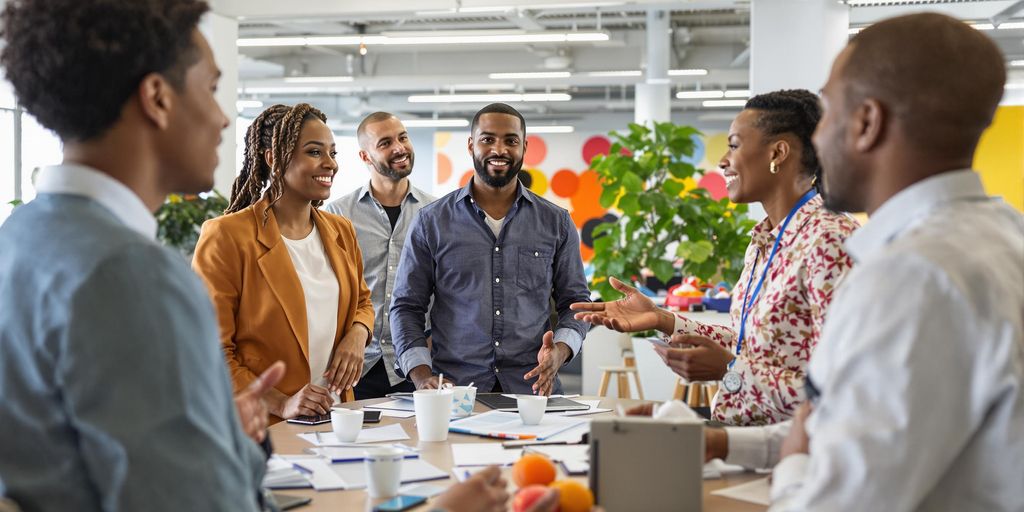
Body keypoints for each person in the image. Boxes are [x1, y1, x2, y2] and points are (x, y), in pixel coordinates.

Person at [687, 13, 1022, 511]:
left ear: (866, 123)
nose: (818, 141)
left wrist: (796, 459)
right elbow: (865, 435)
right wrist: (730, 443)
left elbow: (836, 497)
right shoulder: (1002, 236)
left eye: (830, 116)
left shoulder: (910, 276)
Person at [0, 0, 273, 509]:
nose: (222, 117)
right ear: (157, 98)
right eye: (212, 89)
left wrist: (207, 430)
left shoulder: (20, 236)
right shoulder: (132, 273)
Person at [574, 90, 858, 425]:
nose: (723, 160)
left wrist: (729, 370)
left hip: (795, 454)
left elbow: (843, 389)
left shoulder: (830, 239)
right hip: (742, 442)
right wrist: (661, 319)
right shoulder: (764, 239)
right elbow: (748, 346)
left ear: (778, 152)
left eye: (734, 145)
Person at [390, 103, 591, 395]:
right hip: (454, 391)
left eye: (511, 140)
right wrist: (420, 375)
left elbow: (576, 304)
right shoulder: (431, 222)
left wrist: (560, 352)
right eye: (487, 139)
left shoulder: (556, 222)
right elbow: (407, 306)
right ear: (471, 145)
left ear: (524, 147)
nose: (499, 149)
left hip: (534, 390)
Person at [192, 103, 374, 421]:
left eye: (332, 153)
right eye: (315, 152)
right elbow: (210, 352)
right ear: (274, 158)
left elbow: (362, 302)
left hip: (336, 419)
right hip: (263, 425)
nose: (330, 164)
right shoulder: (227, 236)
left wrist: (357, 336)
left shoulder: (340, 230)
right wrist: (280, 403)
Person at [323, 112, 435, 400]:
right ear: (365, 156)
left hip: (419, 364)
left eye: (403, 137)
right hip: (356, 365)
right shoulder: (338, 215)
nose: (399, 147)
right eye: (385, 143)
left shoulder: (436, 213)